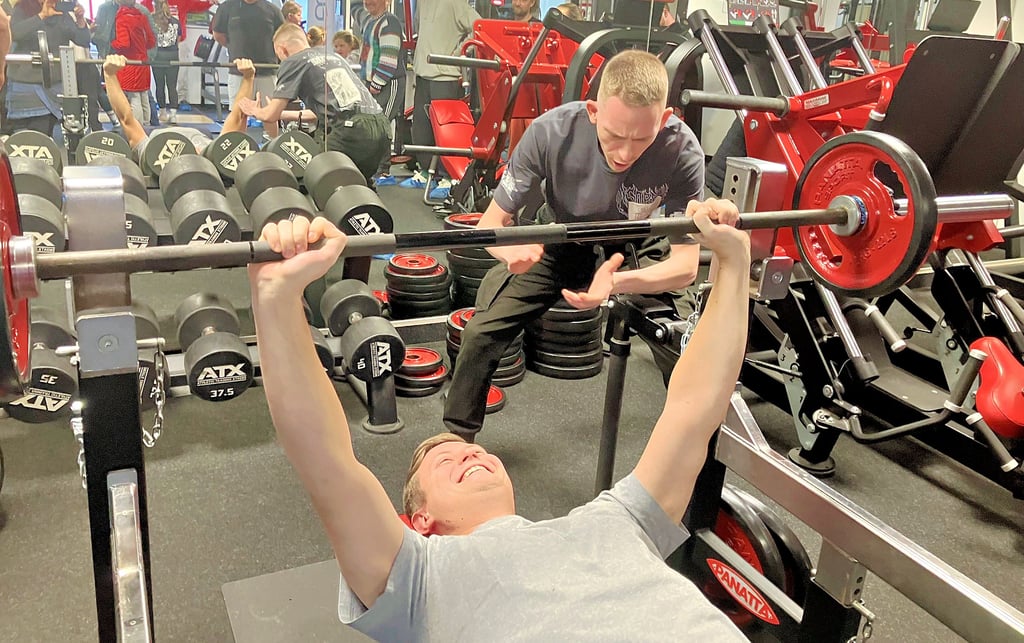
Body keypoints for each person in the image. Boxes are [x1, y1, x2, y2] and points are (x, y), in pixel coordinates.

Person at [249, 201, 748, 640]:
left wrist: (733, 260)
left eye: (469, 448)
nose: (468, 449)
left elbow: (694, 409)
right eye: (443, 459)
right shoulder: (420, 578)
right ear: (421, 522)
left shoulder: (614, 521)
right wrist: (276, 299)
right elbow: (327, 462)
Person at [442, 50, 705, 441]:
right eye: (615, 136)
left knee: (685, 349)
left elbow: (685, 267)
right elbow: (490, 223)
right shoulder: (550, 133)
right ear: (594, 111)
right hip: (566, 239)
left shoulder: (682, 150)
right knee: (481, 333)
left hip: (638, 249)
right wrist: (508, 251)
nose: (625, 153)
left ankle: (691, 457)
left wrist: (616, 283)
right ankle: (453, 443)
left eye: (641, 138)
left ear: (664, 119)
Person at [238, 23, 390, 182]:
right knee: (357, 182)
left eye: (279, 55)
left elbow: (270, 115)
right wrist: (282, 113)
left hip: (352, 130)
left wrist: (255, 110)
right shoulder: (332, 56)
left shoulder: (293, 61)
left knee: (317, 181)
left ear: (282, 49)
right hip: (381, 126)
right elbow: (326, 110)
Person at [103, 53, 257, 157]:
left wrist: (110, 75)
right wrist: (248, 77)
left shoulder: (153, 155)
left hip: (154, 136)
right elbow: (238, 116)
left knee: (129, 131)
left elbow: (126, 118)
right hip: (200, 134)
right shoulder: (211, 156)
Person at [407, 0, 480, 183]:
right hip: (423, 72)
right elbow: (419, 28)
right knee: (421, 128)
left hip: (445, 77)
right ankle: (426, 172)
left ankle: (450, 177)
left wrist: (456, 55)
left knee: (447, 132)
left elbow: (478, 27)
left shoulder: (455, 3)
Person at [6, 0, 90, 136]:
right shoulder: (22, 8)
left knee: (44, 133)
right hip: (24, 83)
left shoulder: (61, 13)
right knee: (21, 136)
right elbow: (16, 33)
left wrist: (80, 20)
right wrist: (41, 16)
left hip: (52, 84)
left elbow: (83, 40)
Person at [211, 0, 283, 137]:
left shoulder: (272, 10)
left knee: (270, 114)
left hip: (267, 71)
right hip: (239, 72)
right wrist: (236, 50)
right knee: (239, 115)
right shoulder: (227, 7)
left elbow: (281, 36)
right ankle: (236, 149)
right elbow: (218, 35)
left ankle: (274, 149)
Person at [359, 0, 405, 184]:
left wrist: (376, 83)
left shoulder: (389, 23)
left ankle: (383, 171)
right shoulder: (370, 21)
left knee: (382, 124)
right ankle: (375, 169)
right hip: (371, 82)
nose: (368, 2)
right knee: (374, 125)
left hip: (389, 82)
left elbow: (389, 58)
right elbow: (367, 55)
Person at [111, 0, 156, 125]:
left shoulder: (122, 19)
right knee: (144, 96)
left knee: (134, 97)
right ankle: (147, 124)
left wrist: (113, 43)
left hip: (131, 63)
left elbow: (124, 43)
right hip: (144, 62)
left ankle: (137, 126)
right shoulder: (142, 17)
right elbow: (151, 41)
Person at [152, 0, 181, 123]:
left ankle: (162, 113)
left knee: (160, 86)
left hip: (158, 56)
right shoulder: (175, 22)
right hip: (173, 56)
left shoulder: (152, 20)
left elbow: (149, 39)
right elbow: (178, 39)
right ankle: (173, 114)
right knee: (172, 86)